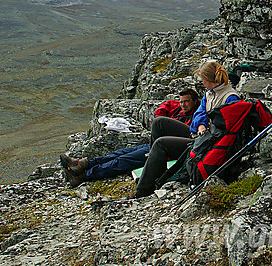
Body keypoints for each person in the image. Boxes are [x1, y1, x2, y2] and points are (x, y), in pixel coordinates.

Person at [134, 61, 240, 198]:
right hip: (201, 134)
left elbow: (229, 130)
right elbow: (199, 114)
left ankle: (142, 191)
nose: (202, 82)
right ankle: (153, 168)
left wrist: (205, 133)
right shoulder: (210, 94)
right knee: (158, 123)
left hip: (207, 145)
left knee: (161, 144)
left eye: (203, 79)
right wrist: (201, 125)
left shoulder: (230, 97)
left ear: (208, 79)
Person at [60, 88, 201, 187]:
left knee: (123, 161)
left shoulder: (196, 117)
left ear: (195, 101)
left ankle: (84, 176)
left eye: (186, 102)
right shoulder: (179, 109)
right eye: (182, 101)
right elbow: (166, 106)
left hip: (164, 151)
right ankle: (83, 164)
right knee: (120, 153)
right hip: (153, 143)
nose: (183, 105)